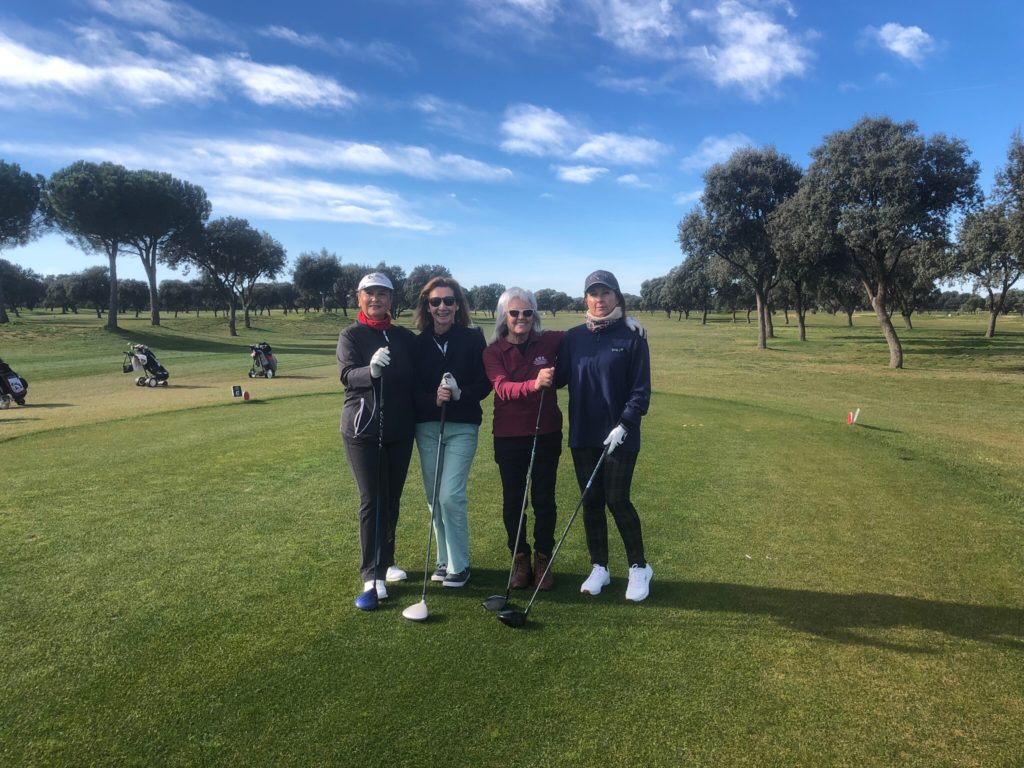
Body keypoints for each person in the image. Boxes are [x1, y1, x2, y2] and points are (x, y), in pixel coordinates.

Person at [556, 270, 653, 602]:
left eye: (606, 293)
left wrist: (625, 424)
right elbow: (557, 376)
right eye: (593, 293)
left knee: (617, 500)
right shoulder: (572, 338)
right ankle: (600, 567)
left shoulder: (633, 336)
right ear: (585, 299)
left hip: (620, 435)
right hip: (583, 433)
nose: (600, 299)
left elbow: (641, 392)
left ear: (617, 297)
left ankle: (639, 568)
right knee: (591, 502)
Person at [337, 272, 417, 605]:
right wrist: (369, 370)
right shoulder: (351, 335)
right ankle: (371, 574)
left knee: (392, 499)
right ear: (359, 298)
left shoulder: (404, 337)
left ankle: (386, 562)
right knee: (372, 499)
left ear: (391, 300)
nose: (376, 299)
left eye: (382, 294)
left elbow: (415, 376)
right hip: (362, 430)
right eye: (370, 293)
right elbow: (346, 375)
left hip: (399, 428)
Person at [482, 287, 564, 590]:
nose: (521, 318)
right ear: (504, 315)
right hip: (509, 436)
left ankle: (543, 559)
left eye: (527, 313)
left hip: (547, 433)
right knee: (514, 501)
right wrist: (534, 383)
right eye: (514, 312)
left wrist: (626, 322)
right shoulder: (493, 351)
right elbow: (502, 388)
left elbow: (587, 333)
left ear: (534, 315)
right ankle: (520, 559)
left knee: (545, 499)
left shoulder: (550, 341)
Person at [413, 277, 492, 588]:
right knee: (435, 498)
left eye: (448, 301)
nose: (442, 306)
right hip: (427, 426)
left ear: (458, 305)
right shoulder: (417, 343)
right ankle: (444, 560)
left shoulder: (472, 339)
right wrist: (432, 398)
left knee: (450, 495)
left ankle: (461, 564)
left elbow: (485, 384)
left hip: (462, 426)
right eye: (436, 302)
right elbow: (409, 389)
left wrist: (461, 393)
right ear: (427, 307)